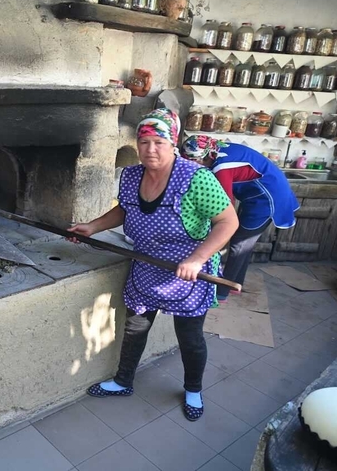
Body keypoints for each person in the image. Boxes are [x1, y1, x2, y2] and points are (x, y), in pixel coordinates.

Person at [68, 109, 239, 421]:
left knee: (189, 336)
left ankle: (193, 390)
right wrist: (93, 226)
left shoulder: (196, 178)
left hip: (189, 271)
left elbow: (228, 223)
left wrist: (197, 258)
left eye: (159, 141)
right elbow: (126, 210)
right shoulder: (132, 176)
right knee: (135, 328)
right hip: (147, 264)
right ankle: (123, 381)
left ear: (172, 143)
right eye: (144, 141)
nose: (150, 149)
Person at [181, 136, 299, 300]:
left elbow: (224, 205)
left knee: (239, 244)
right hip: (255, 196)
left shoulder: (221, 167)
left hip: (267, 199)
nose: (192, 166)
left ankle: (222, 292)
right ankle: (236, 284)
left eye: (194, 161)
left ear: (207, 156)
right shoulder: (217, 149)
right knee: (244, 244)